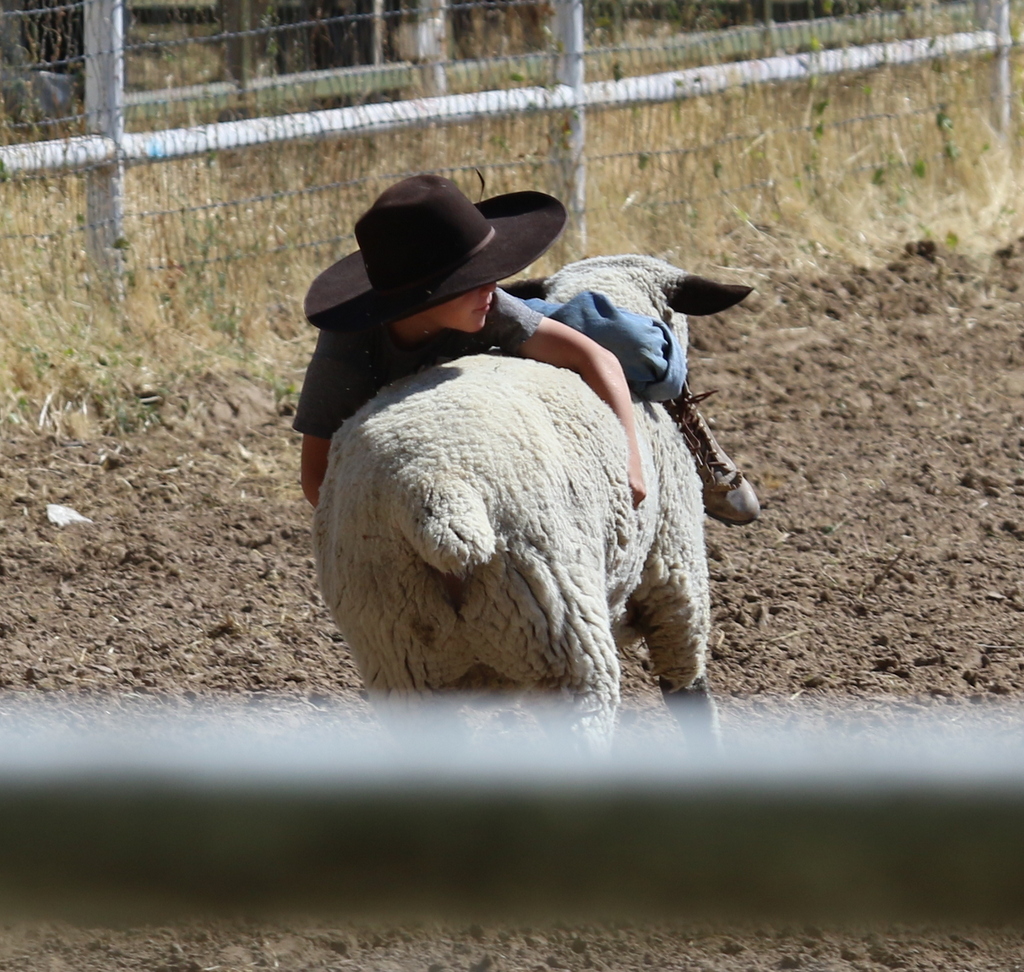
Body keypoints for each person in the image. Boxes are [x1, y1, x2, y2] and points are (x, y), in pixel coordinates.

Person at [294, 174, 759, 525]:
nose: (491, 285)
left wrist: (629, 459)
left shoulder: (490, 304)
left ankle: (686, 418)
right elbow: (316, 475)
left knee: (634, 344)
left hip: (497, 334)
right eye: (472, 279)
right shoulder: (347, 352)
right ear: (425, 297)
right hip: (445, 390)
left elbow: (594, 357)